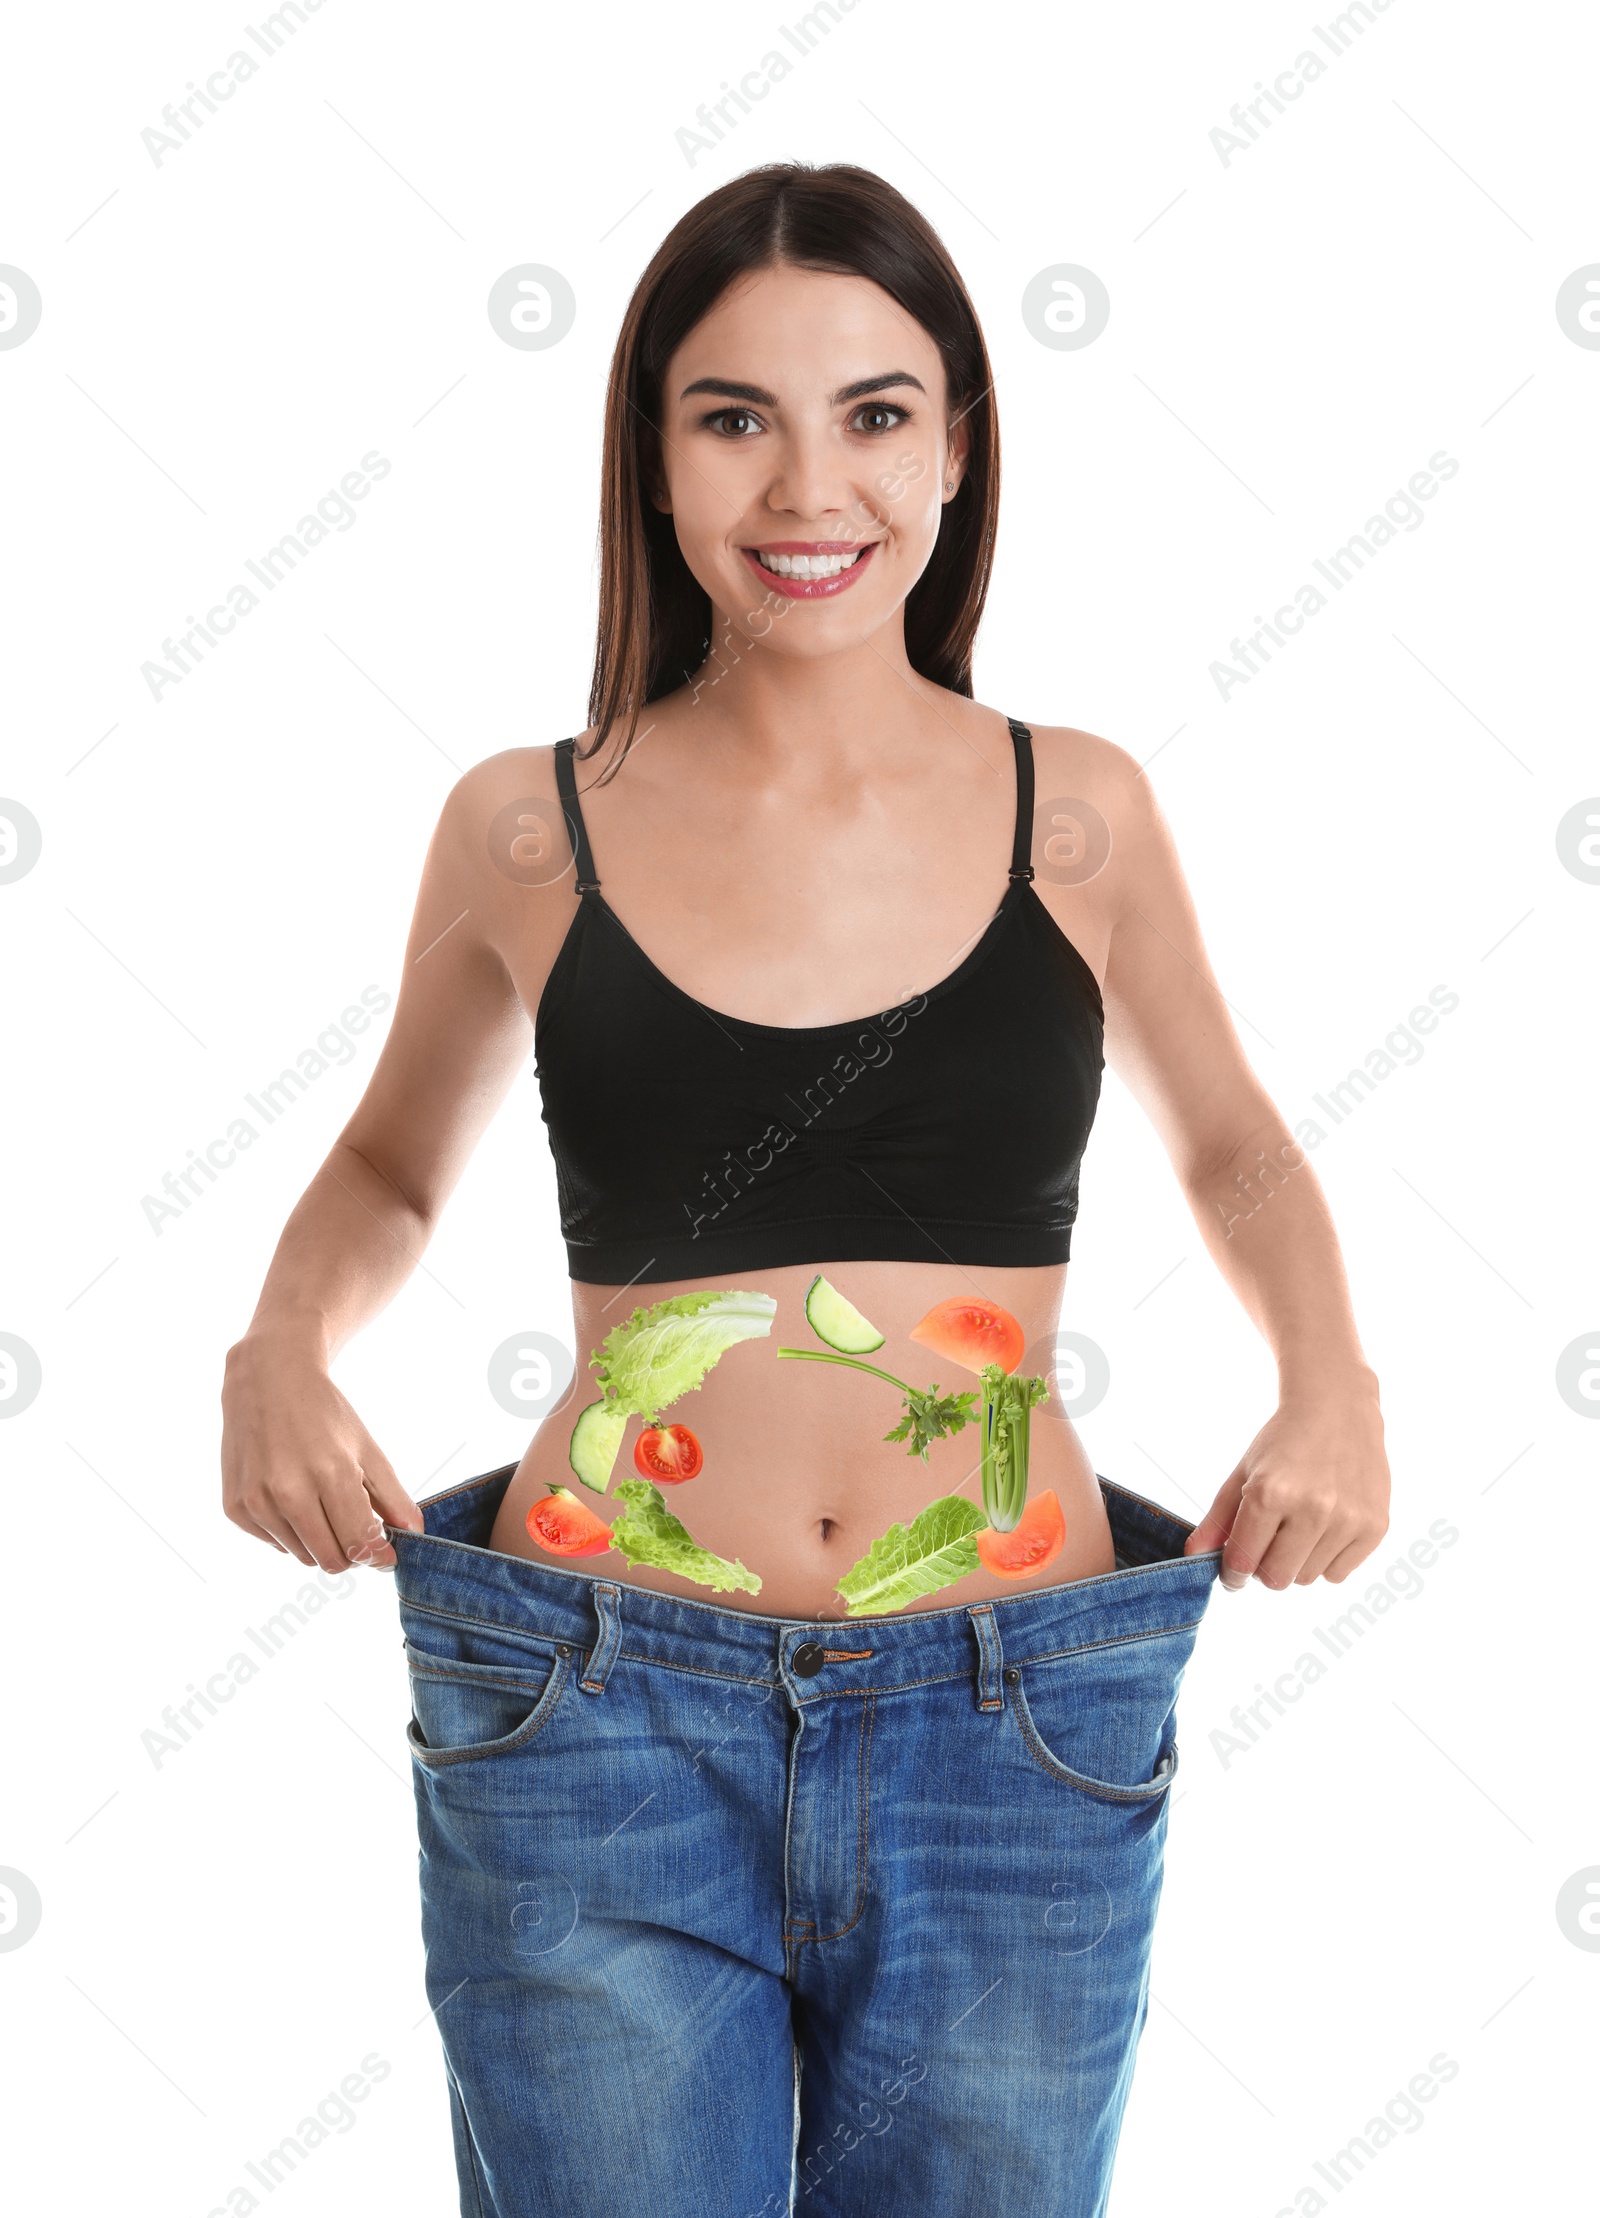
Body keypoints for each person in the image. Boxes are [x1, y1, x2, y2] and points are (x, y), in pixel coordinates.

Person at [220, 162, 1390, 2218]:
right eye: (729, 413)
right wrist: (276, 1343)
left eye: (870, 409)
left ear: (953, 448)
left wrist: (1333, 1380)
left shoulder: (1075, 809)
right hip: (594, 1711)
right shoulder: (527, 822)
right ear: (651, 458)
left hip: (1012, 1723)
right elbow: (395, 1158)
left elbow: (1234, 1143)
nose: (802, 483)